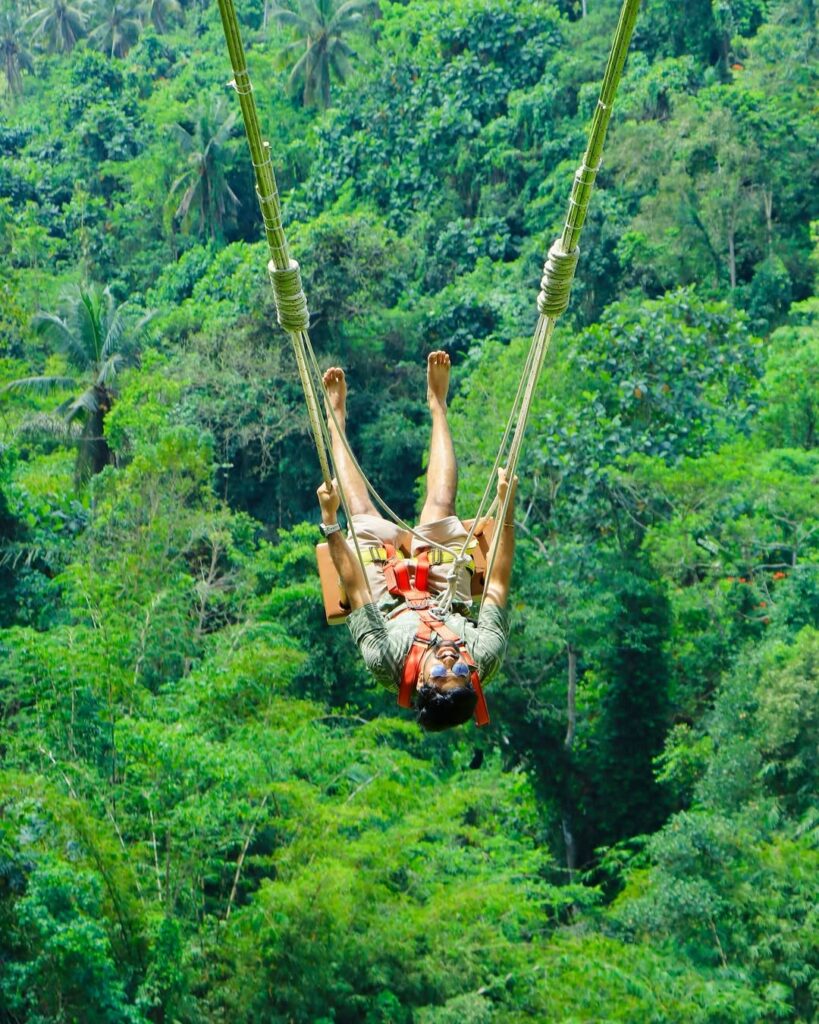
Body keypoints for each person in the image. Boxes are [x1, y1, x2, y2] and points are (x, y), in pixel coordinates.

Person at [316, 351, 516, 732]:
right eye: (461, 668)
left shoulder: (385, 659)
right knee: (440, 507)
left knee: (361, 512)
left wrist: (330, 521)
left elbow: (356, 589)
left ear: (423, 683)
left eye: (443, 671)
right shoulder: (483, 655)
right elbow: (498, 583)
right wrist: (507, 510)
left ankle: (335, 421)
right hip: (447, 593)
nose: (450, 658)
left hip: (388, 600)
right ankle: (438, 404)